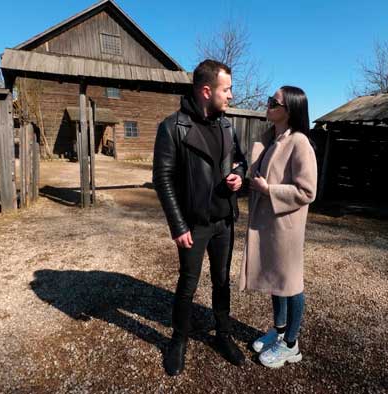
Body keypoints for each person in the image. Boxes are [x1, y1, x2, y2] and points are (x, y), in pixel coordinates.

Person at [153, 59, 248, 376]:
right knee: (188, 285)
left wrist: (240, 176)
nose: (231, 95)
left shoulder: (226, 125)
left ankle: (223, 334)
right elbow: (162, 179)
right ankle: (178, 341)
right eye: (227, 89)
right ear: (207, 91)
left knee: (222, 281)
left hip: (224, 221)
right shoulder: (172, 127)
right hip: (193, 226)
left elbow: (241, 162)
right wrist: (177, 225)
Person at [239, 86, 317, 368]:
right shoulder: (270, 138)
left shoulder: (300, 143)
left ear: (290, 110)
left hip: (286, 227)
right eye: (269, 100)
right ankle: (279, 331)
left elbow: (308, 191)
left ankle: (291, 345)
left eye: (274, 102)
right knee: (275, 281)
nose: (268, 104)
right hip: (269, 224)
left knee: (291, 283)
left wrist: (269, 189)